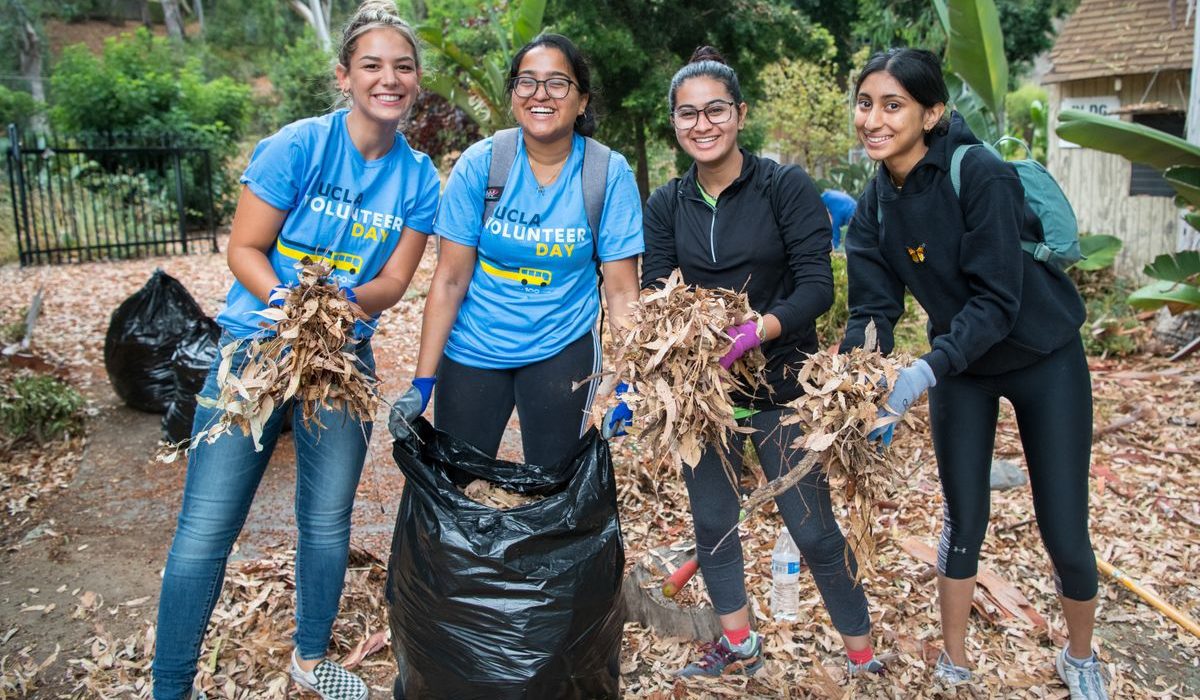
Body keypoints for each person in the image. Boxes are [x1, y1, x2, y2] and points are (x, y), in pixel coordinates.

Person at [151, 4, 440, 699]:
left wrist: (342, 308)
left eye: (402, 66)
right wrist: (286, 302)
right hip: (256, 350)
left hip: (341, 362)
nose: (388, 78)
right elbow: (245, 247)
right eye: (372, 65)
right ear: (344, 75)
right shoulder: (298, 147)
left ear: (416, 81)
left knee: (326, 517)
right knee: (207, 527)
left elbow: (395, 281)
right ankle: (171, 687)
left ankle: (309, 657)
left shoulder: (419, 178)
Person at [839, 48, 1105, 699]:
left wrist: (924, 372)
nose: (872, 119)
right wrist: (852, 380)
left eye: (892, 104)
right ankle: (954, 662)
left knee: (1065, 527)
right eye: (865, 103)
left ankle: (1081, 656)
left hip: (1043, 355)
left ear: (931, 113)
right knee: (964, 517)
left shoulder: (978, 172)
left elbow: (997, 301)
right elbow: (872, 311)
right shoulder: (873, 205)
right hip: (963, 368)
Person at [637, 46, 883, 680]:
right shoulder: (668, 203)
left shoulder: (783, 186)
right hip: (702, 392)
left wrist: (758, 330)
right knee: (714, 523)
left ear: (740, 114)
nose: (702, 124)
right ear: (675, 122)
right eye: (687, 114)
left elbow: (817, 287)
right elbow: (659, 288)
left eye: (715, 109)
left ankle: (862, 658)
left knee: (815, 532)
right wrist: (678, 356)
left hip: (781, 383)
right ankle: (738, 645)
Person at [389, 34, 642, 467]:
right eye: (527, 82)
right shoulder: (482, 164)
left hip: (563, 345)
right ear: (513, 96)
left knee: (555, 490)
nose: (540, 94)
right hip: (475, 345)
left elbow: (620, 292)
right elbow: (450, 280)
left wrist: (630, 381)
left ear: (581, 101)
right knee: (455, 487)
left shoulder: (606, 172)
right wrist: (422, 380)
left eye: (557, 83)